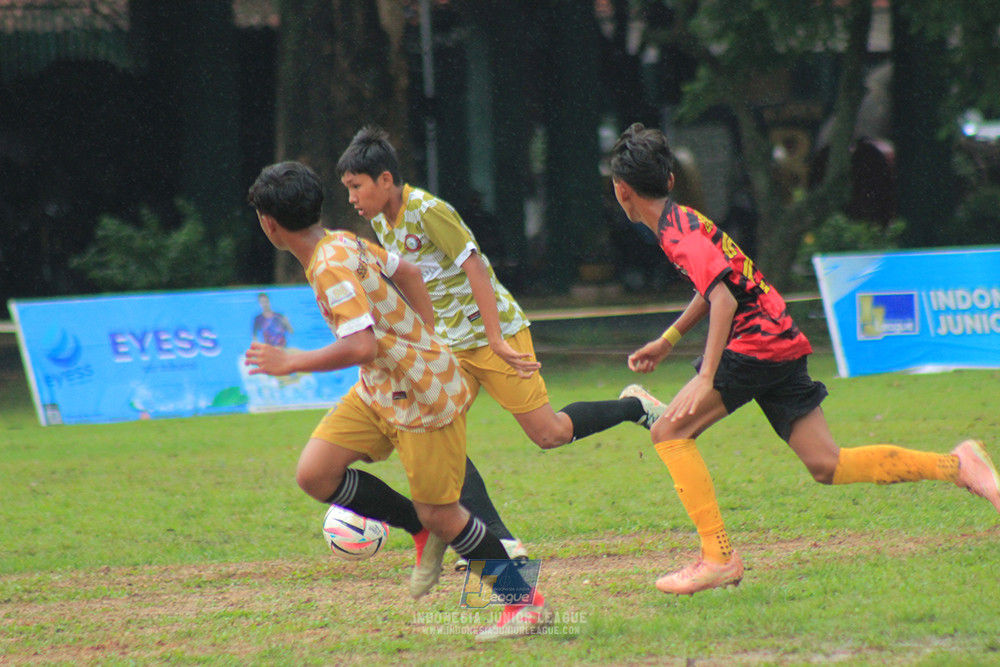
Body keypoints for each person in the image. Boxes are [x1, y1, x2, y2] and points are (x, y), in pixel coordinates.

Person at [608, 122, 1000, 596]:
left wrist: (706, 373)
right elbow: (719, 286)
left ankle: (718, 558)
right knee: (826, 464)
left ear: (621, 189)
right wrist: (669, 339)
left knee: (669, 431)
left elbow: (726, 300)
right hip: (779, 338)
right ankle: (959, 464)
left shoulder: (678, 235)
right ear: (670, 181)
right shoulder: (684, 221)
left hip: (755, 344)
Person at [246, 161, 550, 640]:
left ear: (270, 224)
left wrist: (292, 362)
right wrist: (424, 333)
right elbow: (407, 272)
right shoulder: (341, 241)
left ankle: (524, 603)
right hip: (380, 389)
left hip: (423, 399)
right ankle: (418, 527)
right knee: (315, 473)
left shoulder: (328, 264)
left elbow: (361, 346)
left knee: (446, 513)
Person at [336, 126, 659, 566]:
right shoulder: (379, 223)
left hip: (496, 334)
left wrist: (494, 338)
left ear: (385, 180)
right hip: (449, 346)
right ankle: (497, 542)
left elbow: (475, 266)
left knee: (550, 434)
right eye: (348, 189)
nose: (352, 197)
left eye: (356, 186)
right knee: (435, 433)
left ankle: (633, 406)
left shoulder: (428, 210)